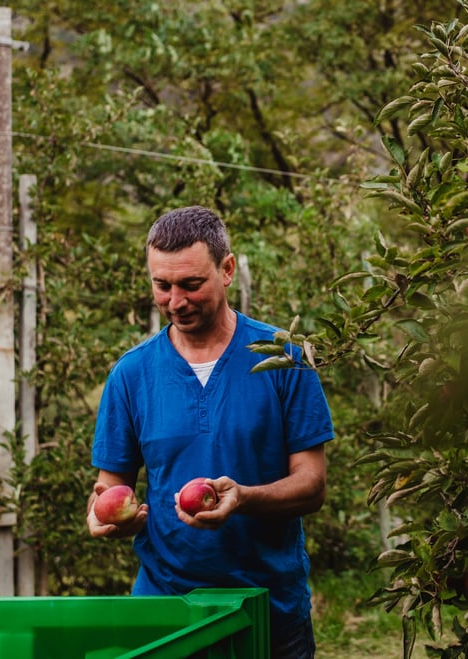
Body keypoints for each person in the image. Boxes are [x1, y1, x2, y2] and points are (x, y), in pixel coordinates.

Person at [87, 205, 334, 659]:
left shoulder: (284, 358)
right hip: (167, 611)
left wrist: (244, 497)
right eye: (162, 285)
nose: (175, 301)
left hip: (270, 609)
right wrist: (103, 516)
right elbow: (110, 484)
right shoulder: (132, 374)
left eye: (191, 285)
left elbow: (312, 486)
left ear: (227, 270)